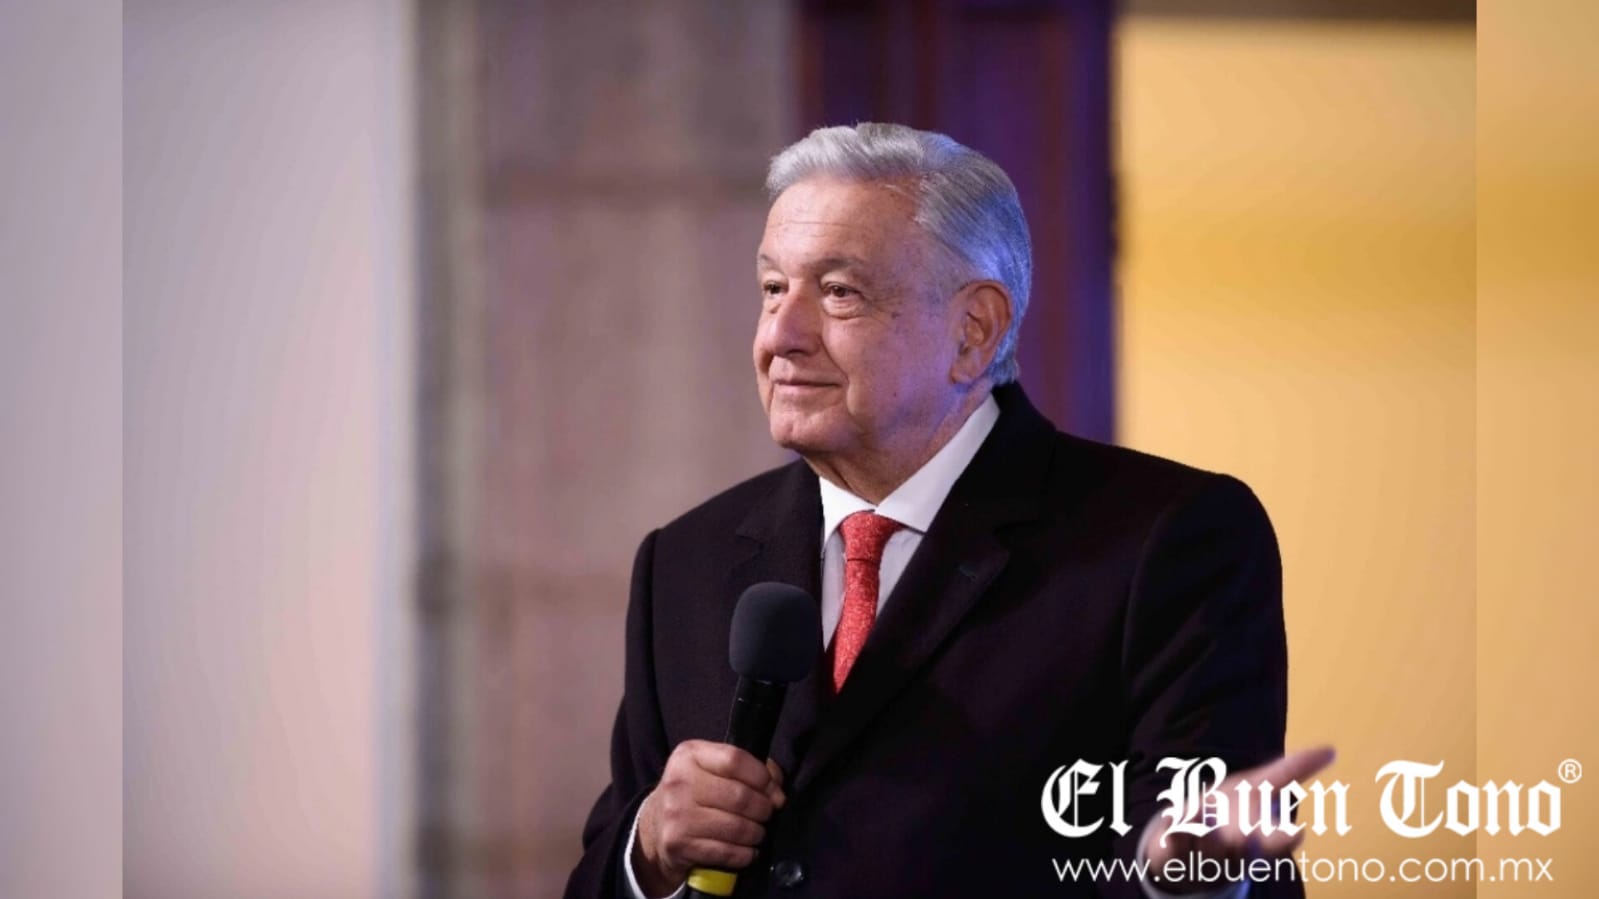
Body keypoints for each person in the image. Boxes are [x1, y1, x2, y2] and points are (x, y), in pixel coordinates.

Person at [563, 123, 1331, 899]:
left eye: (838, 292)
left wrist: (1180, 875)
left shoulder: (1164, 538)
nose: (780, 336)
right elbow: (600, 872)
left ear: (974, 330)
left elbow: (1197, 844)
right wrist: (649, 850)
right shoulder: (685, 560)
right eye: (771, 288)